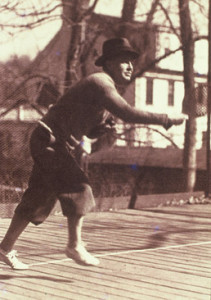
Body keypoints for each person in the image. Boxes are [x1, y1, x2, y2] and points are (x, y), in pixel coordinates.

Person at [0, 37, 186, 269]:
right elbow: (128, 113)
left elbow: (93, 132)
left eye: (131, 62)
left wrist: (104, 130)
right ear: (108, 63)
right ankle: (74, 245)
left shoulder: (104, 92)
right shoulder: (100, 82)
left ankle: (4, 248)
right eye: (123, 61)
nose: (130, 66)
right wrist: (168, 119)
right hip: (49, 141)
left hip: (51, 143)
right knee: (80, 187)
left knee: (37, 198)